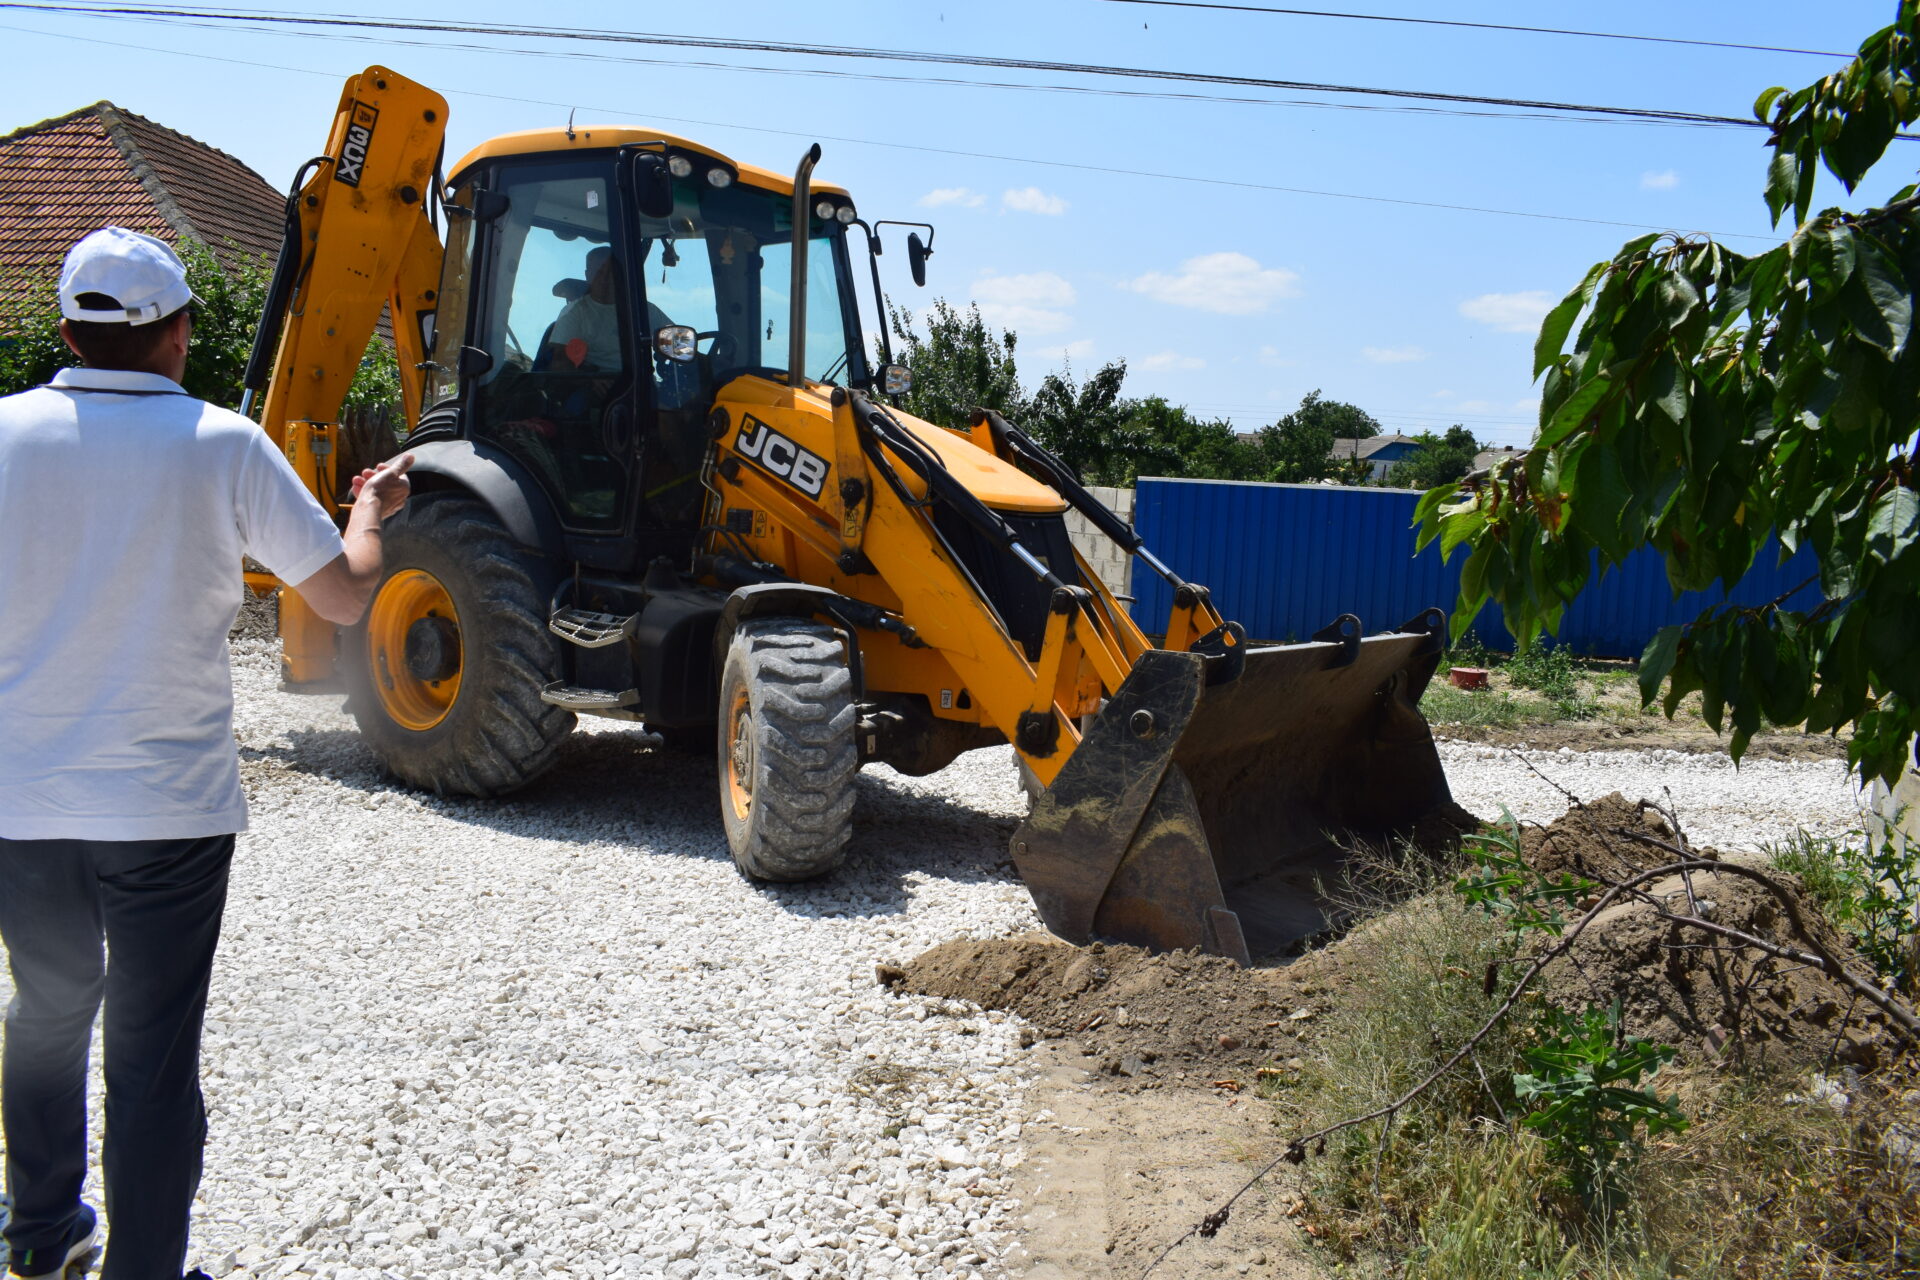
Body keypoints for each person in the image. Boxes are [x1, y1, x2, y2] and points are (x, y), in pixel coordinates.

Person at [0, 226, 412, 1279]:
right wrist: (370, 509)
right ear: (179, 332)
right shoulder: (223, 444)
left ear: (67, 335)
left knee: (46, 1011)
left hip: (21, 799)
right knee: (150, 1054)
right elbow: (342, 593)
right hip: (167, 810)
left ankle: (40, 1232)